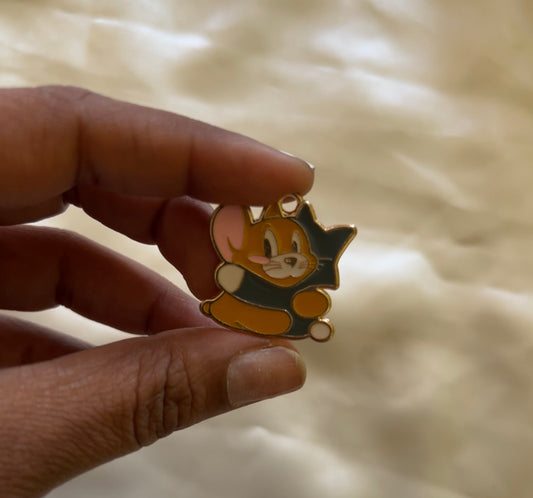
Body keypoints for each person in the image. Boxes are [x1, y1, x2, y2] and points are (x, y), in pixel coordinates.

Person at [0, 86, 312, 497]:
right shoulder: (239, 267)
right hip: (246, 306)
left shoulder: (285, 278)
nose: (283, 261)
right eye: (273, 250)